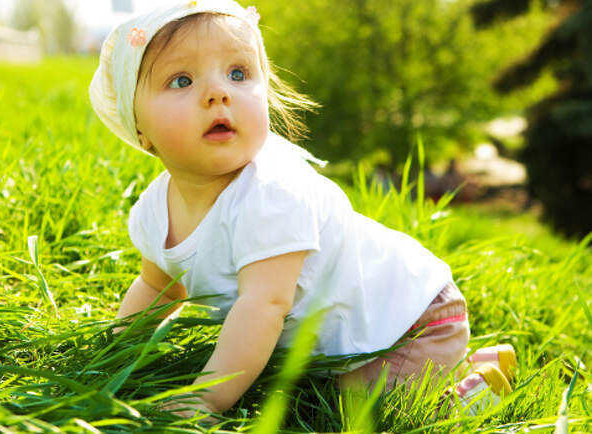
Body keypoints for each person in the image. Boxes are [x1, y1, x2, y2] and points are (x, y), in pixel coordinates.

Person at [89, 0, 515, 417]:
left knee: (357, 404)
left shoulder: (272, 193)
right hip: (361, 329)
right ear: (139, 128)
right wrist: (112, 357)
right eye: (181, 80)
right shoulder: (153, 210)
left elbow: (264, 306)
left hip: (411, 320)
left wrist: (206, 397)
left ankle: (473, 391)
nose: (218, 93)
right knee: (314, 386)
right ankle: (479, 361)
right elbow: (156, 289)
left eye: (238, 74)